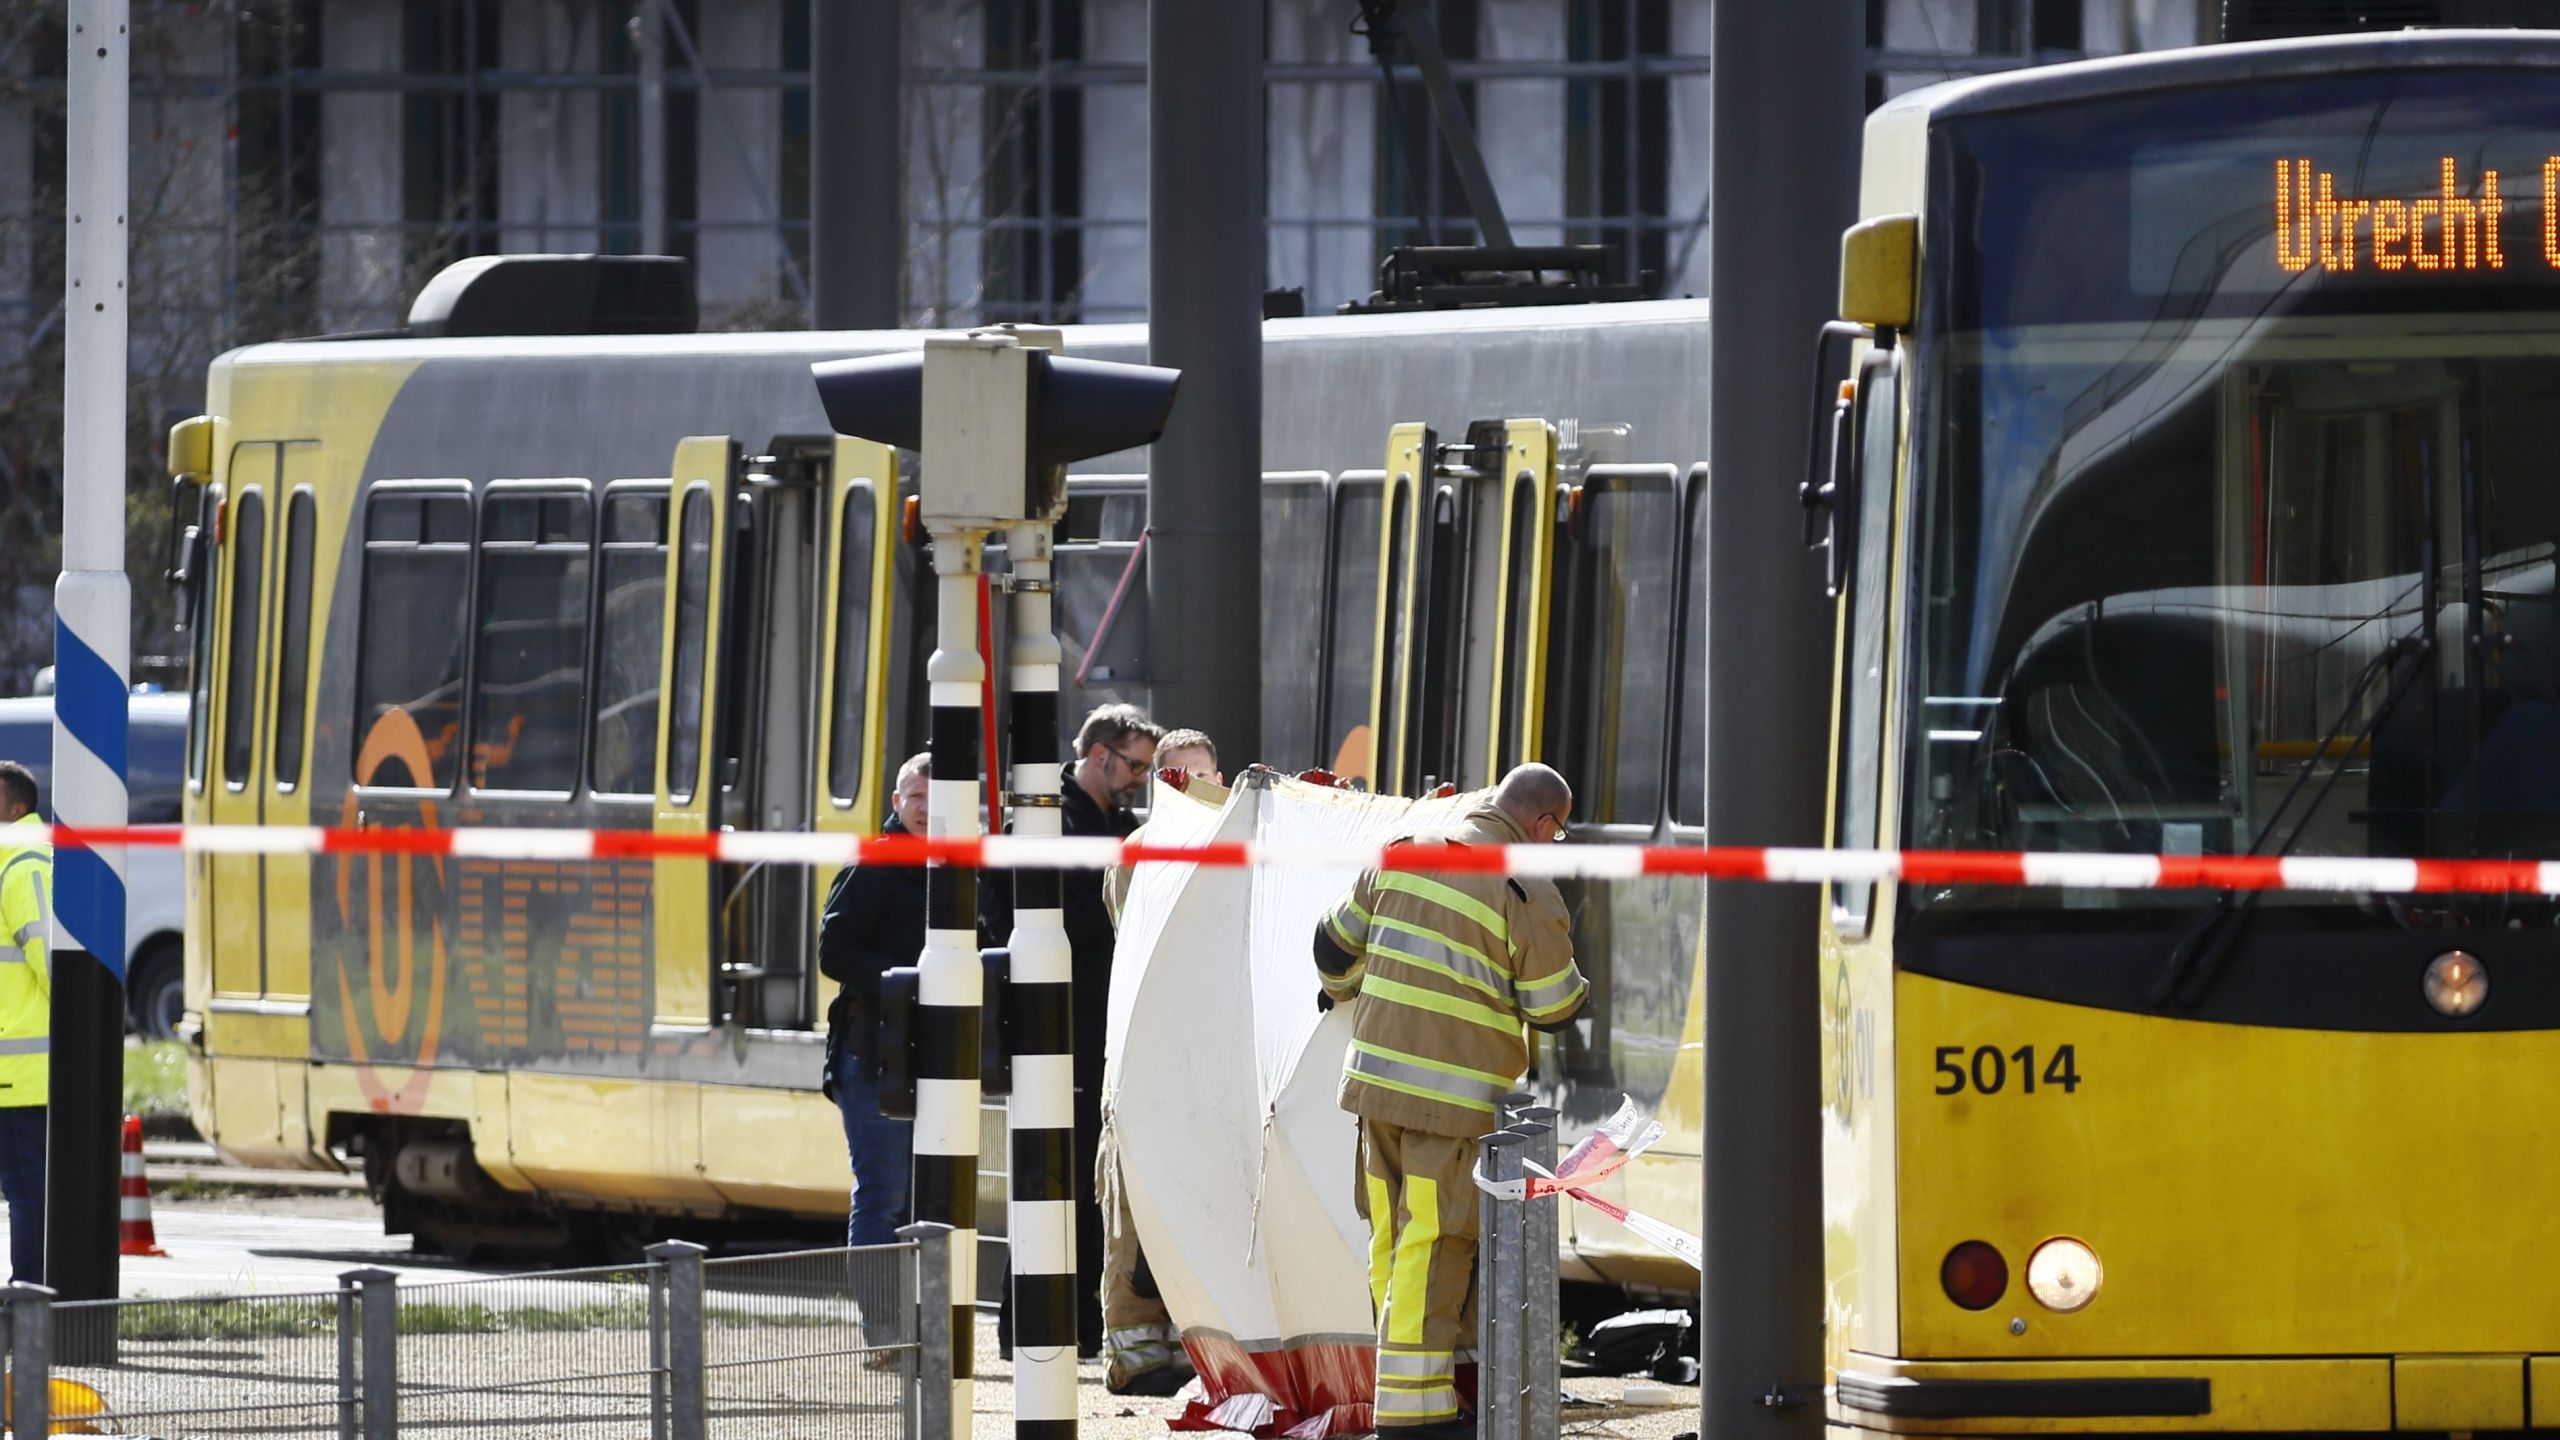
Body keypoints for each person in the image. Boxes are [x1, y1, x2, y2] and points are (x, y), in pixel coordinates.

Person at [1312, 764, 1589, 1440]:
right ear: (1543, 822)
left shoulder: (1401, 851)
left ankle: (1412, 1387)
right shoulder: (1524, 886)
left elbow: (1331, 947)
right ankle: (1413, 1411)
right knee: (1433, 1244)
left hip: (1374, 1091)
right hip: (1453, 1103)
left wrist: (1347, 989)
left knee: (1392, 1239)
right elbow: (1553, 1006)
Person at [983, 702, 1161, 1358]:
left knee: (1087, 1178)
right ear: (1098, 755)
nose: (1140, 779)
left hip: (1094, 1023)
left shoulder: (1110, 822)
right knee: (1051, 1176)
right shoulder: (1048, 822)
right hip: (1056, 1024)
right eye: (1135, 764)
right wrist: (1128, 899)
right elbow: (1040, 922)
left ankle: (1081, 1327)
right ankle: (1030, 1329)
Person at [1094, 727, 1221, 1395]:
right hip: (1152, 1061)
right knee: (1136, 1216)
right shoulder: (1143, 852)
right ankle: (1137, 1357)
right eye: (1180, 776)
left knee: (1201, 1210)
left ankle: (1188, 1350)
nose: (1196, 788)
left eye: (1206, 774)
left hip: (1212, 1063)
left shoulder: (1236, 847)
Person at [819, 752, 931, 1248]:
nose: (925, 808)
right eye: (916, 797)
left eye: (935, 797)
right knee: (884, 1197)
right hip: (872, 1056)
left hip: (931, 1056)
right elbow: (834, 952)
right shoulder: (873, 863)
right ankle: (882, 1327)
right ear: (896, 801)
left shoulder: (958, 865)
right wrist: (906, 983)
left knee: (919, 1203)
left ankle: (916, 1322)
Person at [0, 761, 49, 1285]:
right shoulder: (14, 859)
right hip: (19, 1061)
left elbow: (48, 960)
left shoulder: (23, 863)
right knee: (26, 1187)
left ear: (17, 807)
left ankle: (28, 1298)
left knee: (26, 1189)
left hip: (22, 1067)